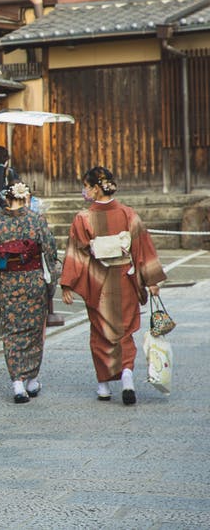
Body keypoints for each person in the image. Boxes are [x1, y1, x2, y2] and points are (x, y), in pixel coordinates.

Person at [60, 166, 166, 405]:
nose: (84, 191)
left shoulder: (83, 218)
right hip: (125, 278)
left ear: (97, 188)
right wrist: (151, 281)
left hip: (98, 281)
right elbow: (142, 248)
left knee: (100, 333)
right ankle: (127, 377)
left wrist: (67, 284)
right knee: (125, 331)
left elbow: (76, 252)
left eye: (86, 187)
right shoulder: (129, 214)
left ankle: (104, 385)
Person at [0, 180, 57, 403]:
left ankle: (17, 383)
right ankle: (32, 379)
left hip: (8, 283)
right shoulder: (36, 220)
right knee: (34, 330)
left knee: (12, 331)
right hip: (33, 281)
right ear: (24, 198)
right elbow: (50, 250)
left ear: (7, 199)